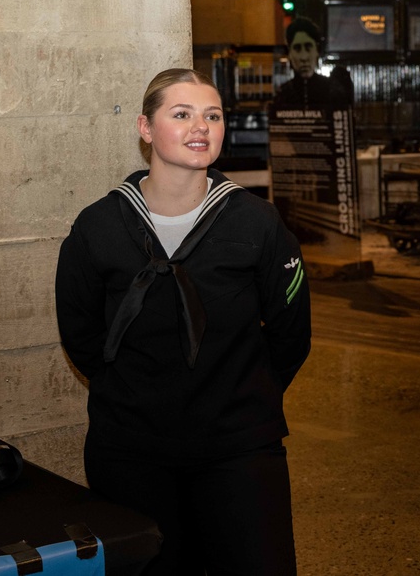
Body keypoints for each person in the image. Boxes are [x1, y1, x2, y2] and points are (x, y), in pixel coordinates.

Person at [55, 68, 312, 575]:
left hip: (238, 450)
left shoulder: (256, 222)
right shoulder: (99, 226)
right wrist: (129, 394)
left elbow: (291, 333)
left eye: (212, 115)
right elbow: (81, 333)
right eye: (182, 114)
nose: (201, 127)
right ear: (145, 129)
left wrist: (242, 395)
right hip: (130, 451)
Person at [273, 16, 354, 109]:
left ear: (317, 51)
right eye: (297, 48)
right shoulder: (282, 95)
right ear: (290, 53)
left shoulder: (332, 91)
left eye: (308, 48)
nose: (304, 57)